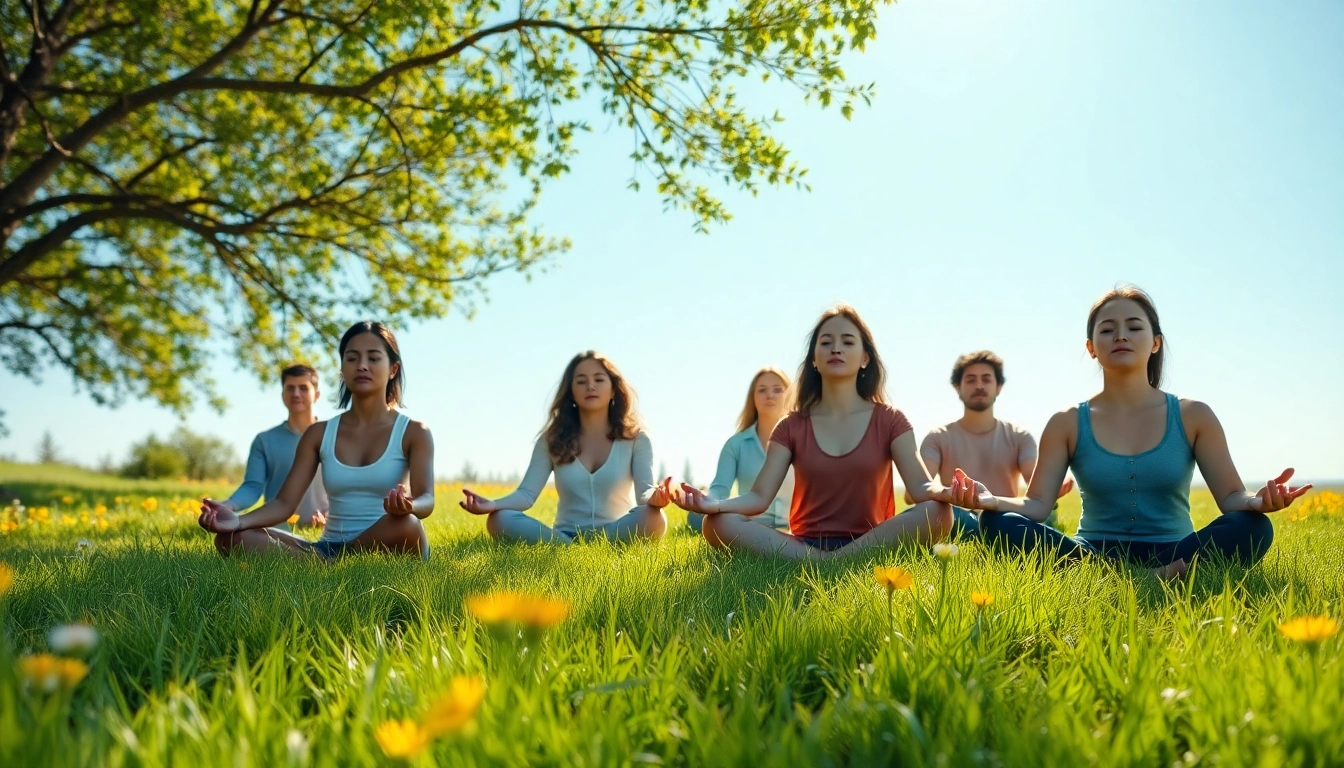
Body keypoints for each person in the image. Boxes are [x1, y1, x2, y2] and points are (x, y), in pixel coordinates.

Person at [952, 286, 1311, 579]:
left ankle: (1134, 575)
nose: (1120, 335)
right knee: (997, 523)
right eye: (1107, 329)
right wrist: (990, 500)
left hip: (1176, 550)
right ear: (1091, 348)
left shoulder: (1193, 415)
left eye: (1134, 327)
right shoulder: (1066, 421)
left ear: (1155, 342)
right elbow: (1036, 505)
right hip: (1091, 551)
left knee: (1254, 527)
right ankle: (1134, 576)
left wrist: (1257, 501)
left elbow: (1231, 496)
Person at [673, 305, 962, 560]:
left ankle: (835, 563)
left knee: (938, 512)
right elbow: (759, 497)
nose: (836, 348)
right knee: (717, 524)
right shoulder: (791, 426)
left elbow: (921, 488)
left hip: (871, 541)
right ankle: (825, 562)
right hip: (805, 545)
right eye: (826, 342)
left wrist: (949, 492)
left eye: (847, 342)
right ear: (814, 359)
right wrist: (715, 504)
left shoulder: (891, 421)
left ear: (865, 358)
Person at [198, 322, 435, 559]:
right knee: (232, 539)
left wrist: (409, 506)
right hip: (328, 545)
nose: (362, 365)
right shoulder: (319, 433)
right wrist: (237, 521)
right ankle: (326, 560)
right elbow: (283, 504)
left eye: (373, 358)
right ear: (342, 368)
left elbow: (427, 500)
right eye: (352, 358)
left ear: (393, 369)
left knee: (409, 524)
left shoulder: (414, 432)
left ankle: (327, 562)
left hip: (389, 539)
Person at [459, 351, 672, 543]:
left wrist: (656, 497)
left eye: (599, 379)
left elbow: (644, 492)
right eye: (581, 381)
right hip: (563, 537)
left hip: (615, 533)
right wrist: (493, 505)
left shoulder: (637, 439)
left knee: (653, 517)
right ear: (570, 392)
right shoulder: (551, 440)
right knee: (500, 519)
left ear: (614, 390)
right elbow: (525, 495)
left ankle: (600, 547)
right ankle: (565, 548)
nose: (590, 386)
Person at [904, 351, 1070, 539]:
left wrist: (1054, 487)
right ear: (957, 387)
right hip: (959, 521)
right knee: (941, 513)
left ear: (998, 387)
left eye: (986, 379)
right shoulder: (937, 438)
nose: (979, 386)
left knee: (1011, 519)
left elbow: (1035, 481)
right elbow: (913, 493)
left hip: (1002, 518)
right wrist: (950, 496)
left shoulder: (1020, 437)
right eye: (971, 380)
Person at [204, 364, 329, 528]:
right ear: (283, 394)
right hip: (278, 529)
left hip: (326, 529)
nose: (296, 394)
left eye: (303, 388)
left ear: (317, 395)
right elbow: (253, 486)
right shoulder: (264, 440)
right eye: (290, 388)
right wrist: (229, 505)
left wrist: (333, 519)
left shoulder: (333, 436)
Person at [686, 367, 795, 534]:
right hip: (750, 524)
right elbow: (720, 490)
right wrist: (703, 498)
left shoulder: (804, 440)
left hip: (797, 525)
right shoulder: (735, 445)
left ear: (790, 395)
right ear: (753, 398)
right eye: (762, 390)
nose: (770, 395)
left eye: (778, 389)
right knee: (710, 520)